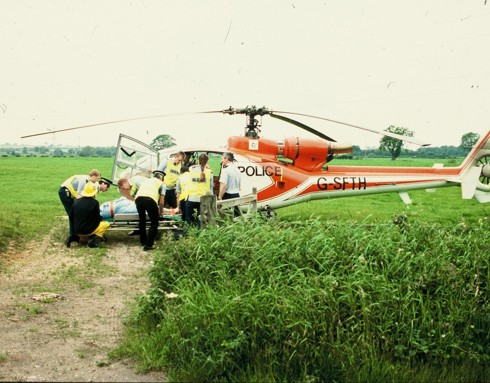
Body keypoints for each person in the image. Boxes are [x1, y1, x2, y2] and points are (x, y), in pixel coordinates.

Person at [66, 181, 110, 248]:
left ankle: (75, 237)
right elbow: (97, 217)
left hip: (77, 230)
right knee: (106, 224)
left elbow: (71, 216)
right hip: (89, 230)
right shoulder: (95, 203)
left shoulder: (76, 202)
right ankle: (93, 239)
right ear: (94, 192)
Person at [134, 170, 166, 251]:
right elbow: (162, 202)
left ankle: (143, 241)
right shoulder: (162, 184)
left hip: (138, 199)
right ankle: (148, 245)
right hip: (150, 200)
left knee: (142, 220)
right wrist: (161, 211)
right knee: (154, 223)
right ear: (161, 178)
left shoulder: (146, 181)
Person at [185, 154, 213, 227]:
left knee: (188, 218)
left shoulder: (191, 169)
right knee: (200, 219)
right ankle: (199, 233)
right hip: (202, 199)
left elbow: (191, 167)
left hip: (191, 197)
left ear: (198, 160)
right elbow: (210, 188)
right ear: (207, 161)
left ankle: (189, 233)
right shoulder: (210, 172)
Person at [218, 152, 242, 217]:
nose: (221, 160)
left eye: (222, 158)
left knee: (225, 216)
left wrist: (220, 196)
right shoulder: (237, 169)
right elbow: (239, 185)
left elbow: (224, 185)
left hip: (228, 195)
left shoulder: (225, 170)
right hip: (236, 194)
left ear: (226, 159)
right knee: (237, 216)